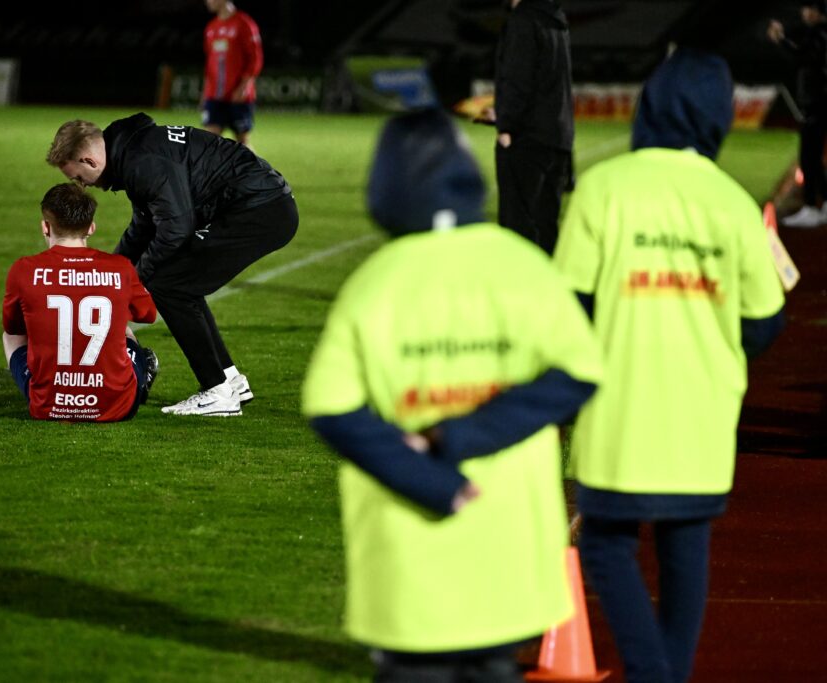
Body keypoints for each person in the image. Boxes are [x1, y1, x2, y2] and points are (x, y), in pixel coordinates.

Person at [302, 108, 603, 683]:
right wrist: (466, 435)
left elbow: (331, 408)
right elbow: (580, 372)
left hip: (409, 562)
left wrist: (434, 477)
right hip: (509, 552)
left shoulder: (375, 282)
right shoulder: (521, 264)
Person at [552, 48, 786, 683]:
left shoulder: (604, 187)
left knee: (605, 543)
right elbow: (766, 320)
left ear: (650, 104)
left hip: (618, 410)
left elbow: (568, 307)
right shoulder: (734, 203)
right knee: (687, 550)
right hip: (703, 415)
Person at [46, 114, 297, 416]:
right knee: (179, 284)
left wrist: (134, 281)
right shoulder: (130, 151)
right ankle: (229, 379)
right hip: (259, 204)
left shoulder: (140, 161)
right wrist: (112, 277)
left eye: (77, 177)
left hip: (259, 210)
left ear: (88, 160)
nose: (81, 185)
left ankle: (217, 391)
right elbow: (144, 225)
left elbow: (176, 227)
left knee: (170, 286)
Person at [2, 183, 160, 422]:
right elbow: (147, 315)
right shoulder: (119, 268)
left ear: (45, 227)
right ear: (91, 228)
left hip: (49, 407)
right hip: (117, 407)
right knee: (122, 326)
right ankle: (139, 375)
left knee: (12, 334)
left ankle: (52, 385)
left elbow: (13, 327)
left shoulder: (24, 269)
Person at [489, 0, 574, 254]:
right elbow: (552, 83)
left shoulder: (523, 20)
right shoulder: (556, 18)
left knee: (518, 230)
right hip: (557, 137)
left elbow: (518, 78)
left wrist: (506, 126)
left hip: (526, 139)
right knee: (546, 228)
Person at [769, 1, 827, 228]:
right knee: (814, 155)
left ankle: (812, 206)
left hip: (818, 103)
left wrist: (781, 39)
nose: (803, 12)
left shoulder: (819, 34)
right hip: (819, 102)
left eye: (807, 8)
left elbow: (803, 56)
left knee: (809, 155)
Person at [202, 0, 263, 147]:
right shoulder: (211, 28)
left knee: (242, 144)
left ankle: (251, 170)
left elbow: (255, 59)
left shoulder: (244, 23)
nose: (207, 2)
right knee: (209, 142)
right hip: (215, 95)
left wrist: (244, 87)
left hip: (238, 96)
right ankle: (213, 170)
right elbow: (210, 63)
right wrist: (205, 92)